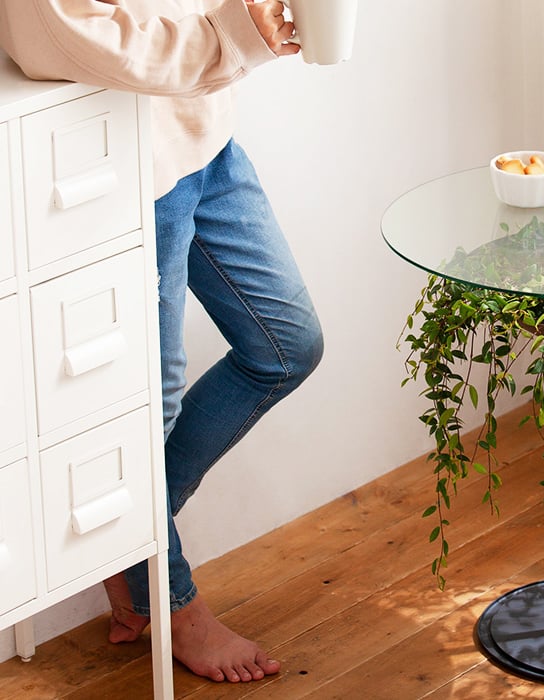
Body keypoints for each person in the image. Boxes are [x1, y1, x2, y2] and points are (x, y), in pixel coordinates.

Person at [0, 0, 324, 684]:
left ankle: (129, 548)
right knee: (152, 408)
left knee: (287, 345)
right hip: (126, 162)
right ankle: (170, 599)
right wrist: (234, 35)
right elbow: (61, 35)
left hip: (204, 133)